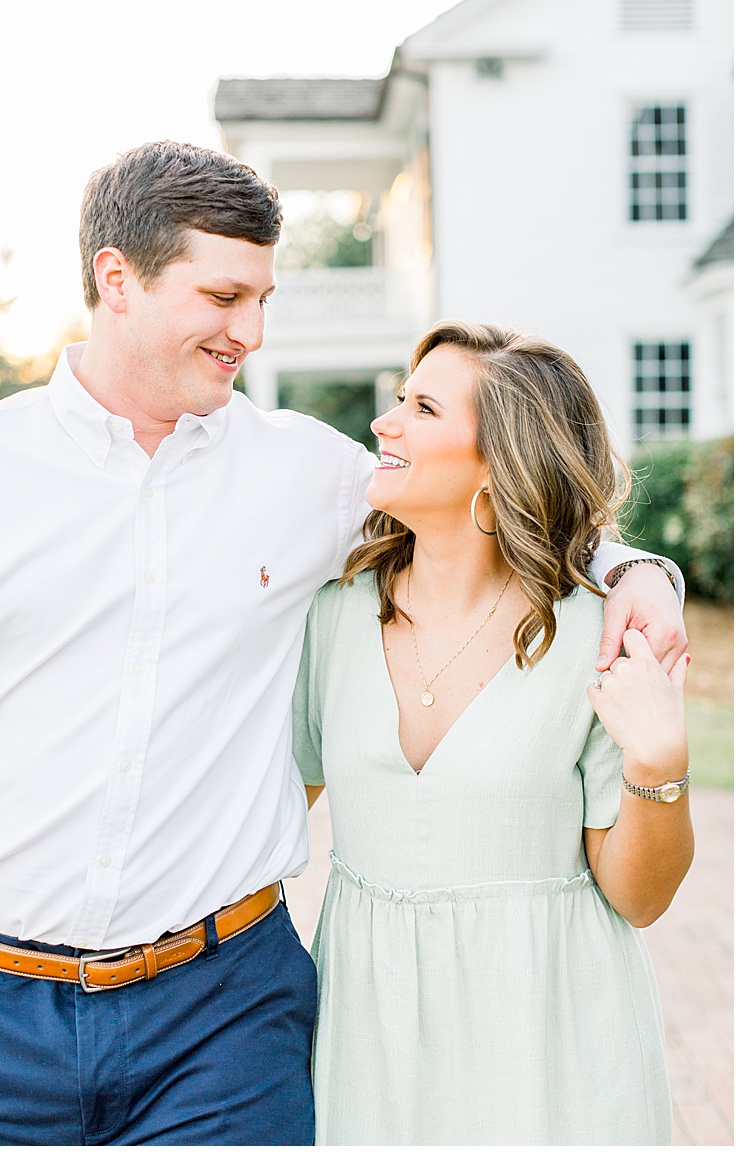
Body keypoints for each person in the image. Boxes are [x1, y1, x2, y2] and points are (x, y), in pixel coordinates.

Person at [0, 141, 688, 1145]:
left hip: (220, 1027)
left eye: (264, 299)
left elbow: (509, 500)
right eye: (224, 296)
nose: (249, 330)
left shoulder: (308, 475)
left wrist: (642, 574)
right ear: (117, 277)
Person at [293, 322, 689, 1144]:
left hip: (554, 1039)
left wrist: (660, 763)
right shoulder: (329, 616)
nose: (384, 423)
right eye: (400, 399)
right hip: (370, 1036)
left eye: (423, 408)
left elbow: (638, 897)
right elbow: (269, 806)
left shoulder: (600, 635)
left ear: (498, 465)